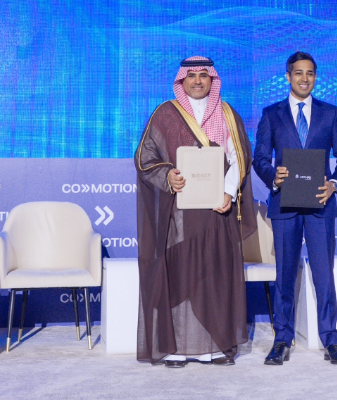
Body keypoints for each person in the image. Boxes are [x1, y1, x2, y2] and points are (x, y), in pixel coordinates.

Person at [134, 56, 256, 368]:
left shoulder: (227, 114)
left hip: (217, 212)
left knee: (215, 277)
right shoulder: (166, 113)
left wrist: (228, 191)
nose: (198, 81)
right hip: (179, 214)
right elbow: (145, 157)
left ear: (212, 80)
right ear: (182, 80)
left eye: (204, 75)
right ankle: (176, 350)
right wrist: (168, 175)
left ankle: (214, 348)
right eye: (192, 76)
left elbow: (239, 157)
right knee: (179, 277)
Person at [253, 51, 337, 365]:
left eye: (310, 73)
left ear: (315, 77)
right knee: (285, 276)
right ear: (288, 76)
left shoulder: (330, 113)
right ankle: (282, 339)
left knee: (324, 276)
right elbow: (260, 158)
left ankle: (331, 341)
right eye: (298, 73)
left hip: (320, 204)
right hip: (285, 204)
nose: (304, 78)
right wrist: (273, 176)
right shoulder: (271, 114)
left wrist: (334, 184)